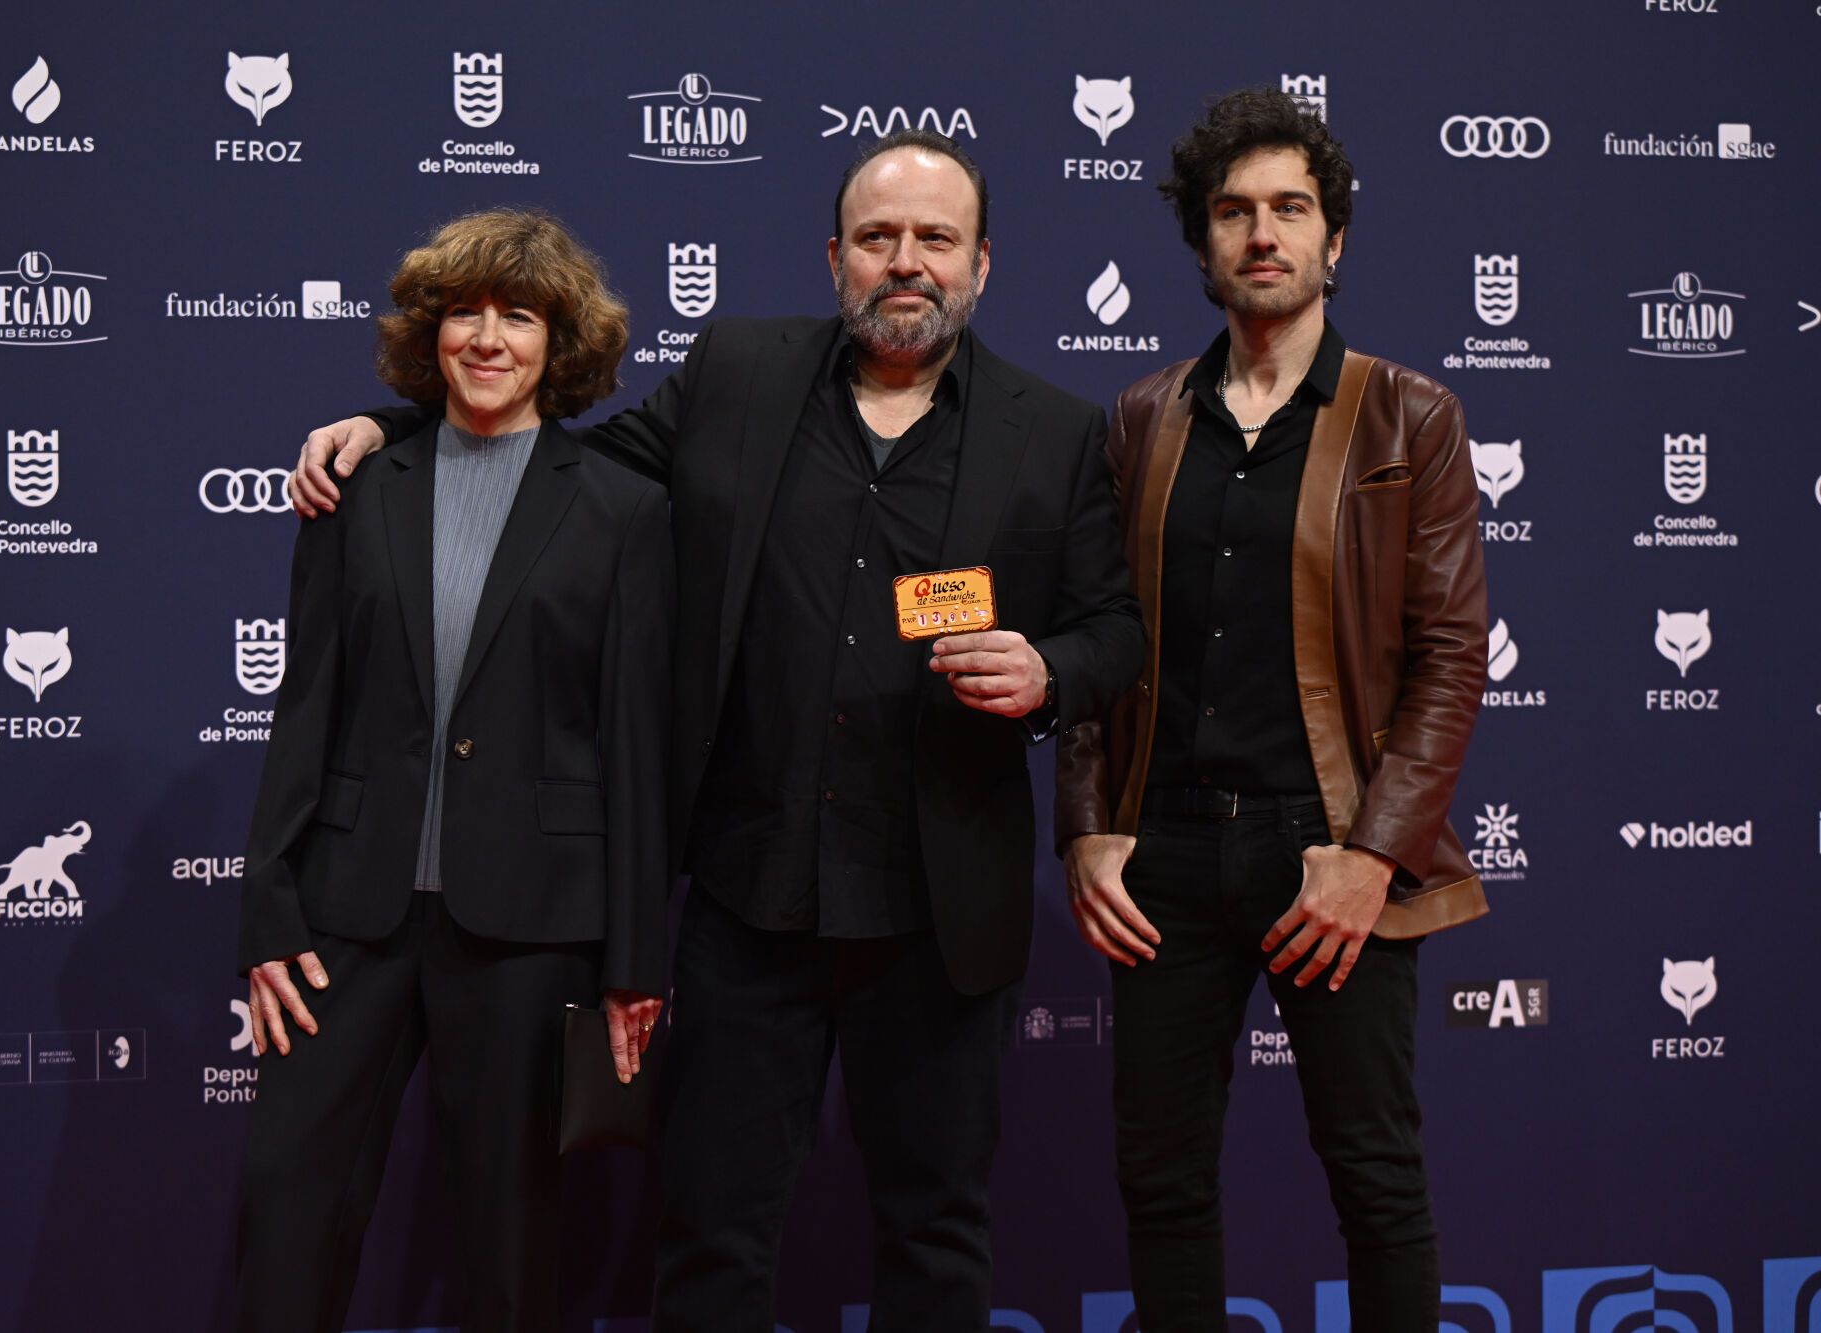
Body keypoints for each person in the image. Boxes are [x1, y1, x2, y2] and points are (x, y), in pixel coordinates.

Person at [290, 131, 1145, 1331]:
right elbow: (560, 472)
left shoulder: (1053, 432)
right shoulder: (737, 372)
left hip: (939, 914)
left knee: (937, 1235)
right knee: (711, 1237)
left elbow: (1115, 630)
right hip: (750, 908)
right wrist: (398, 433)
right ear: (833, 256)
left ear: (981, 264)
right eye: (877, 237)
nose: (905, 262)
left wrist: (1047, 670)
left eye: (934, 240)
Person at [1055, 88, 1489, 1329]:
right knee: (1162, 1183)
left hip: (1330, 845)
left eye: (1288, 209)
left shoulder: (1411, 415)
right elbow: (1097, 640)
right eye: (1232, 211)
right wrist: (1084, 823)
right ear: (1199, 241)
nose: (1261, 233)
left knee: (1374, 1180)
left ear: (1331, 238)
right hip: (1167, 851)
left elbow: (1451, 657)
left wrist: (1369, 855)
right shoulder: (1141, 418)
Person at [237, 208, 672, 1333]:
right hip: (344, 919)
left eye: (517, 316)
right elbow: (305, 708)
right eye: (463, 313)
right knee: (289, 1208)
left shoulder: (623, 508)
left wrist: (632, 958)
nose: (487, 338)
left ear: (558, 343)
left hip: (531, 925)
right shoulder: (354, 484)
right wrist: (269, 910)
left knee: (511, 1235)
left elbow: (633, 739)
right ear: (428, 332)